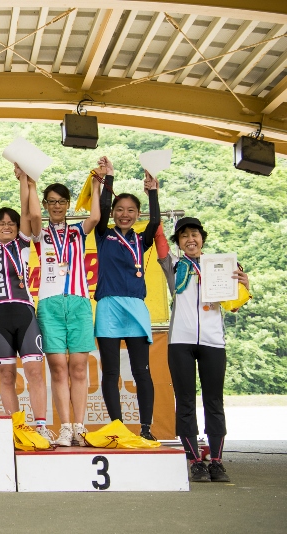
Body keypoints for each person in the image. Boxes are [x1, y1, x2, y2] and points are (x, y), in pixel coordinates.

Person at [160, 217, 250, 482]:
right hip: (180, 341)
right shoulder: (173, 265)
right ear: (178, 243)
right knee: (185, 401)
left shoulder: (221, 266)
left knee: (214, 400)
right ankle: (195, 462)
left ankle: (217, 461)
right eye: (184, 236)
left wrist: (244, 284)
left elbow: (234, 304)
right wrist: (153, 196)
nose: (190, 239)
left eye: (195, 234)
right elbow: (158, 236)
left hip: (213, 341)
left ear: (202, 238)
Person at [0, 165, 51, 443]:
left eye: (11, 223)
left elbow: (26, 211)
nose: (7, 226)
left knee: (34, 372)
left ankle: (41, 427)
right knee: (6, 375)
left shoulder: (23, 245)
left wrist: (24, 179)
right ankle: (17, 429)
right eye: (1, 223)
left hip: (25, 313)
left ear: (17, 228)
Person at [29, 170, 102, 446]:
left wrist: (96, 185)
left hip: (79, 301)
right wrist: (30, 184)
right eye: (51, 201)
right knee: (58, 368)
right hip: (49, 304)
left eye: (61, 201)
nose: (57, 206)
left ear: (68, 204)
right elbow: (33, 215)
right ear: (46, 204)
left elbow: (95, 217)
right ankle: (65, 428)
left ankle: (80, 427)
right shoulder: (40, 233)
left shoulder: (77, 231)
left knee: (79, 367)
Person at [94, 156, 160, 440]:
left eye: (131, 210)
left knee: (141, 372)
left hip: (135, 308)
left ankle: (146, 429)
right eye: (119, 209)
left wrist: (152, 191)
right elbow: (101, 210)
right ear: (113, 213)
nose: (124, 214)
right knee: (111, 373)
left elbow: (155, 221)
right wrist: (108, 177)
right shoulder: (103, 234)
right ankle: (117, 428)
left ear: (137, 214)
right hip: (108, 306)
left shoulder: (141, 239)